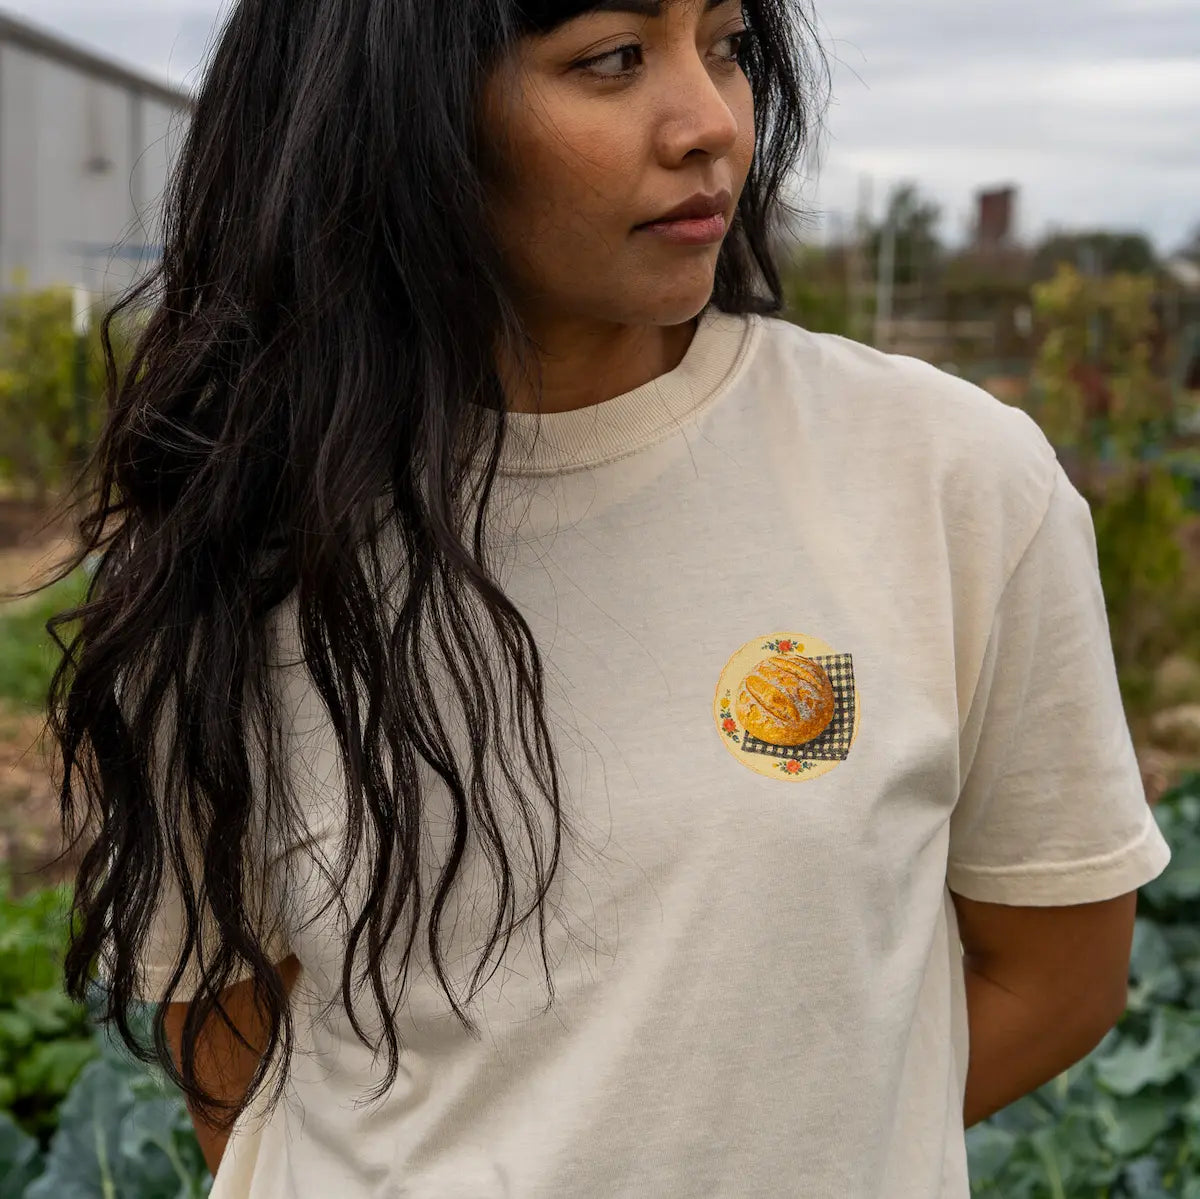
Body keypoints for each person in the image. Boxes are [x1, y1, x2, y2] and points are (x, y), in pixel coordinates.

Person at [36, 0, 1170, 1195]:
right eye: (613, 58)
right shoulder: (240, 546)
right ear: (393, 117)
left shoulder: (946, 478)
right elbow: (232, 1052)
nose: (710, 123)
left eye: (725, 43)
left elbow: (1055, 977)